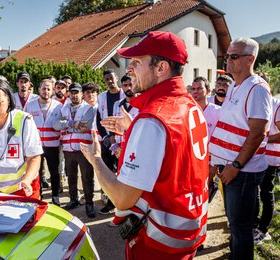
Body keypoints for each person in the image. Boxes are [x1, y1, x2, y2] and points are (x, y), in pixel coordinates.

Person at [80, 31, 209, 259]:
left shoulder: (152, 120)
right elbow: (174, 151)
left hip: (157, 244)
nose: (128, 68)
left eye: (137, 62)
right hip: (187, 233)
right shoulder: (189, 104)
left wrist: (95, 159)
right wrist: (133, 131)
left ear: (161, 68)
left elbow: (122, 198)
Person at [209, 37, 271, 259]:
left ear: (250, 59)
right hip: (231, 169)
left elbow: (258, 133)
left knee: (240, 228)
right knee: (235, 225)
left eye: (233, 56)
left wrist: (235, 166)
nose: (228, 60)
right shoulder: (235, 86)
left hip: (242, 172)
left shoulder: (257, 89)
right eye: (227, 56)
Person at [54, 82, 97, 218]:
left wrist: (66, 125)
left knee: (86, 176)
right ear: (69, 94)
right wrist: (72, 124)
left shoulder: (87, 108)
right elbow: (56, 125)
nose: (74, 95)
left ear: (81, 94)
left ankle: (89, 203)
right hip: (68, 149)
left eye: (77, 92)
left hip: (83, 148)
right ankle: (74, 200)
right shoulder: (64, 109)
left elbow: (85, 126)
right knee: (71, 176)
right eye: (72, 92)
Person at [24, 79, 62, 205]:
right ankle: (38, 195)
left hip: (52, 145)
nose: (46, 91)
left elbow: (62, 124)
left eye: (49, 89)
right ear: (39, 90)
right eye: (44, 88)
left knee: (54, 172)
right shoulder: (30, 105)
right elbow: (25, 125)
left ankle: (55, 196)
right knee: (36, 172)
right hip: (36, 146)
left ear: (52, 91)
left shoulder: (58, 106)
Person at [188, 77, 221, 203]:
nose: (195, 92)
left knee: (204, 195)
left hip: (209, 163)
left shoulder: (218, 112)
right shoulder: (188, 111)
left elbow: (220, 139)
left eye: (199, 88)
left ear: (208, 91)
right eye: (193, 89)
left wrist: (214, 164)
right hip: (191, 162)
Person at [97, 69, 125, 214]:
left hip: (122, 141)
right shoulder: (101, 97)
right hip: (107, 141)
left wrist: (116, 137)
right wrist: (106, 137)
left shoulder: (125, 95)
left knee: (121, 171)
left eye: (111, 78)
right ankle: (109, 202)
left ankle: (122, 201)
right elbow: (98, 119)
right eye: (106, 79)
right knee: (106, 171)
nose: (109, 81)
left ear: (117, 78)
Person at [253, 96, 279, 244]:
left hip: (270, 159)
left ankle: (264, 230)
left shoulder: (276, 106)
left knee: (266, 194)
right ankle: (255, 226)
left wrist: (262, 138)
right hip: (257, 156)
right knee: (256, 192)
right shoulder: (257, 103)